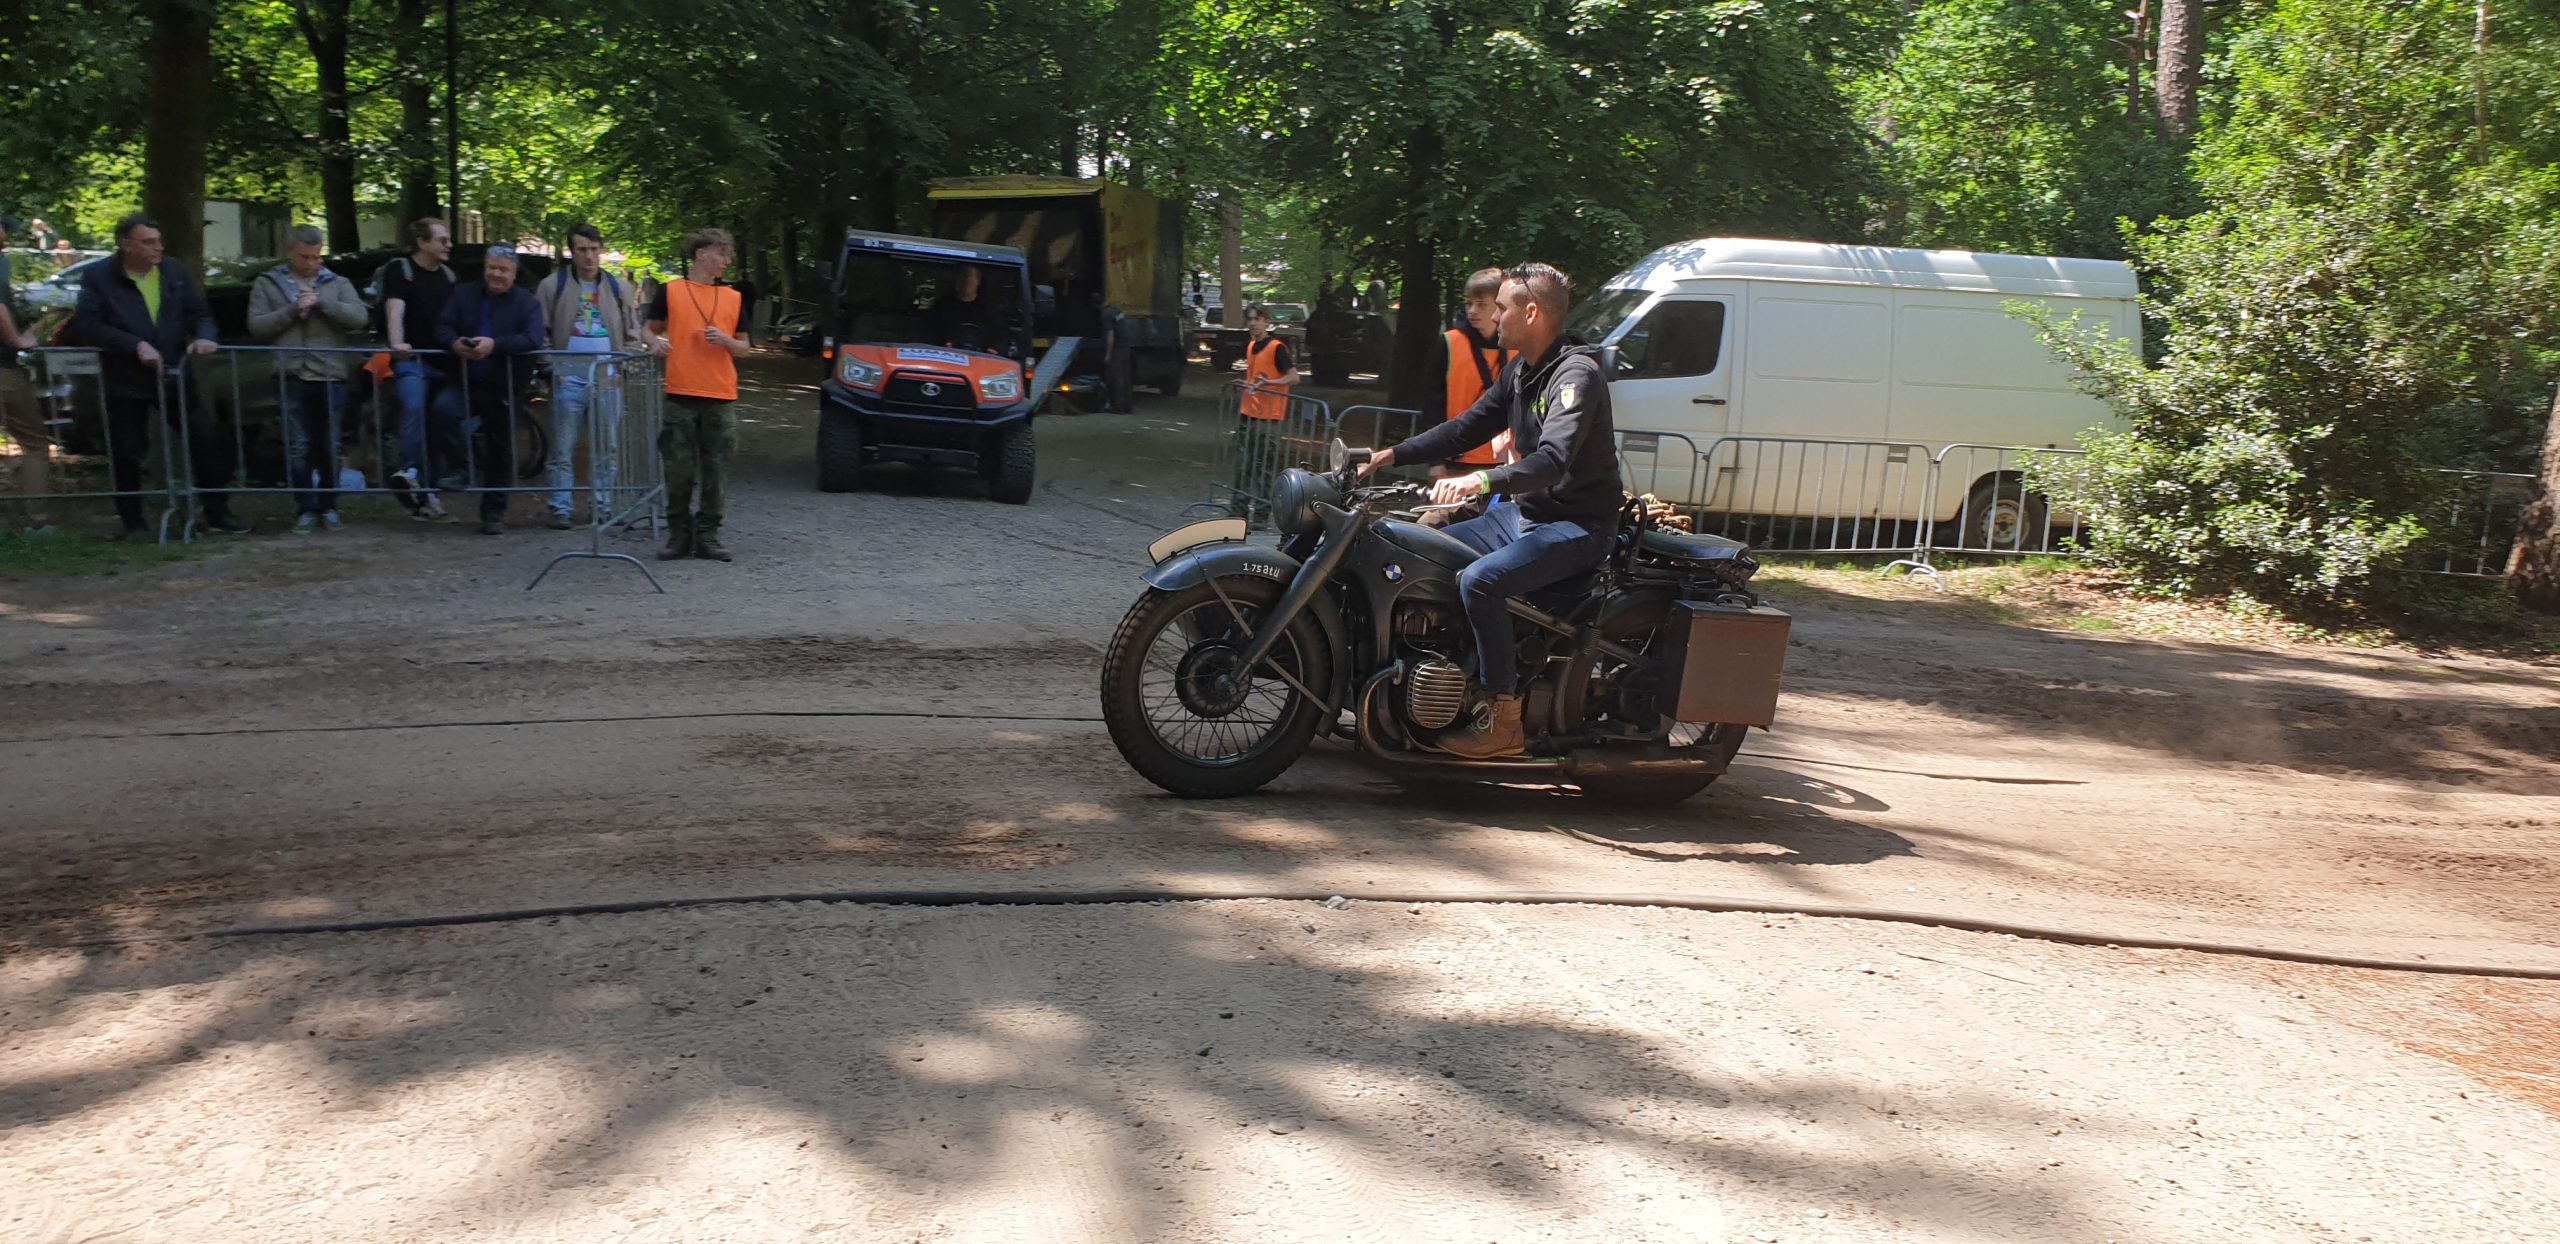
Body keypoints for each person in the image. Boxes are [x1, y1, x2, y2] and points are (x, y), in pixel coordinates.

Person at [1357, 263, 1621, 758]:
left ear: (1531, 312)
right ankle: (1433, 679)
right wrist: (1389, 455)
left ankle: (1503, 718)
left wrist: (1481, 479)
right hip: (1524, 517)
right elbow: (1464, 428)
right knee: (1423, 551)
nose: (1494, 316)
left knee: (1480, 581)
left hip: (1577, 526)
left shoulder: (1575, 376)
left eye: (1501, 307)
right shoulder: (1521, 371)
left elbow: (1553, 460)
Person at [72, 213, 242, 538]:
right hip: (126, 378)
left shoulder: (173, 271)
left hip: (174, 372)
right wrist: (134, 345)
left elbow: (200, 313)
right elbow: (88, 325)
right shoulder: (98, 276)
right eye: (148, 242)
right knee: (127, 450)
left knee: (206, 437)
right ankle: (133, 522)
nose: (158, 248)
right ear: (126, 245)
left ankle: (218, 513)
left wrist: (205, 336)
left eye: (158, 241)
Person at [248, 225, 368, 533]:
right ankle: (305, 507)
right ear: (289, 252)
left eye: (316, 257)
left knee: (330, 444)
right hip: (290, 374)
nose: (311, 263)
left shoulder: (337, 282)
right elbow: (257, 326)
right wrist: (292, 310)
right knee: (298, 445)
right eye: (304, 257)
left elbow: (359, 317)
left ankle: (330, 506)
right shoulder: (267, 283)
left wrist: (323, 303)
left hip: (330, 374)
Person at [533, 223, 649, 529]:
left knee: (607, 447)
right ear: (572, 252)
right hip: (567, 378)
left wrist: (624, 367)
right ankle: (561, 507)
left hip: (607, 379)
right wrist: (551, 369)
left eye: (594, 249)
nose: (589, 256)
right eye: (582, 249)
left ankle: (603, 506)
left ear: (601, 250)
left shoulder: (617, 288)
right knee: (561, 448)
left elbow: (632, 331)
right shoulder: (552, 286)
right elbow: (540, 332)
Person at [645, 227, 751, 562]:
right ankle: (679, 535)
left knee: (716, 470)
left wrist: (727, 341)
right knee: (678, 469)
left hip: (720, 394)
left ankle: (708, 536)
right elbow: (648, 328)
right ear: (701, 255)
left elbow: (745, 347)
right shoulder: (671, 291)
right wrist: (654, 342)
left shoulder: (734, 297)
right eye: (722, 254)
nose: (726, 261)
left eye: (728, 255)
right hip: (680, 392)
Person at [427, 244, 544, 536]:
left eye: (503, 269)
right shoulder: (463, 294)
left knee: (499, 447)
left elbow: (532, 339)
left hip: (504, 384)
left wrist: (495, 346)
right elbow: (442, 327)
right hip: (466, 379)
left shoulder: (527, 303)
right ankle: (463, 466)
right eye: (492, 267)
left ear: (514, 274)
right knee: (442, 411)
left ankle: (493, 513)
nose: (496, 274)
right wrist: (455, 343)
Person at [1419, 267, 1517, 530]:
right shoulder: (1449, 343)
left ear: (1499, 305)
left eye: (1481, 304)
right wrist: (1435, 463)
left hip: (1501, 468)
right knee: (1431, 529)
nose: (1472, 311)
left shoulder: (1518, 346)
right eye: (1468, 303)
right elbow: (1433, 406)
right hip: (1453, 466)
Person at [380, 217, 458, 521]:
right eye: (442, 240)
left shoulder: (448, 276)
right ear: (422, 242)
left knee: (440, 421)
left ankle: (429, 490)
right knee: (413, 407)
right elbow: (394, 309)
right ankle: (409, 470)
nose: (449, 245)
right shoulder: (401, 270)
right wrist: (397, 344)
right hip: (413, 360)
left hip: (444, 362)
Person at [1, 216, 50, 528]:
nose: (6, 236)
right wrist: (17, 340)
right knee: (34, 443)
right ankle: (38, 521)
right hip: (4, 369)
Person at [1229, 303, 1297, 514]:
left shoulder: (1277, 348)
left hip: (1269, 417)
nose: (1252, 324)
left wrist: (1271, 383)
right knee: (1243, 465)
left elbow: (1294, 377)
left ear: (1267, 322)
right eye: (1249, 319)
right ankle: (1238, 510)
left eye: (1257, 319)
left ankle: (1261, 513)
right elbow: (1255, 379)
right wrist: (1244, 383)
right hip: (1248, 413)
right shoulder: (1251, 346)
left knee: (1263, 467)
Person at [927, 266, 1004, 353]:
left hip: (980, 357)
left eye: (968, 276)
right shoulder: (941, 306)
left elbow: (998, 337)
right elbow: (930, 334)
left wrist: (992, 350)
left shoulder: (989, 310)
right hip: (945, 355)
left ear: (978, 281)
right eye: (961, 276)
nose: (966, 281)